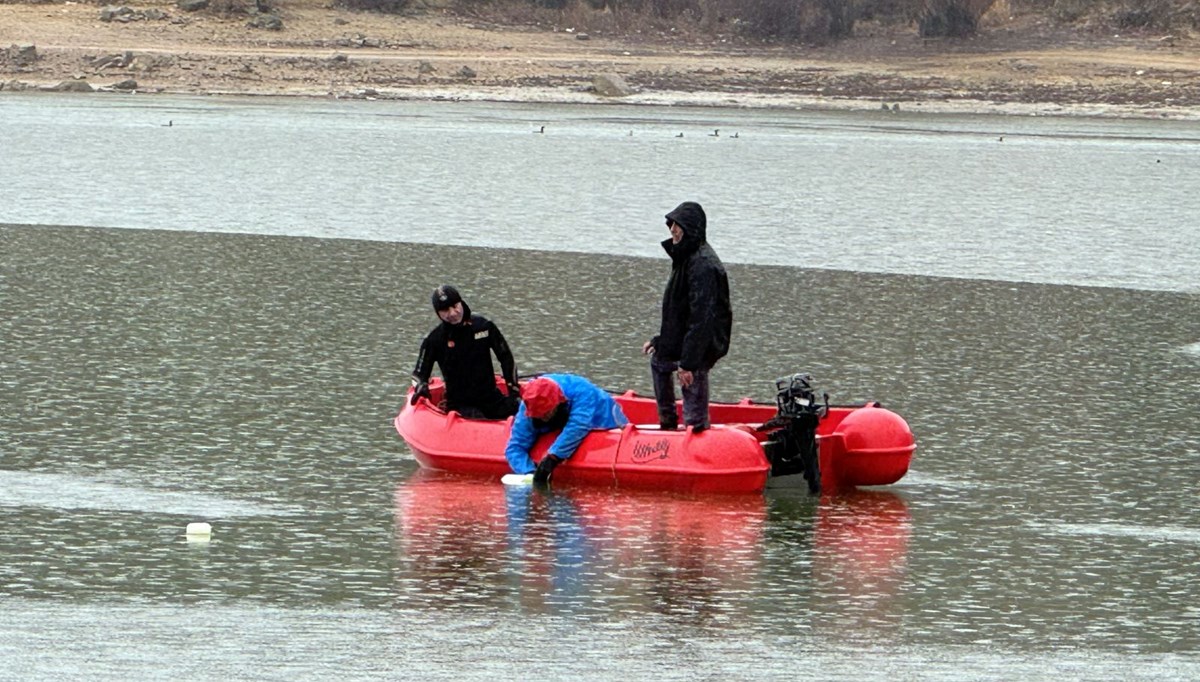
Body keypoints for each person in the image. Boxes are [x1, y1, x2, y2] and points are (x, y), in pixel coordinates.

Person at [641, 201, 732, 432]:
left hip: (700, 345)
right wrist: (660, 340)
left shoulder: (703, 265)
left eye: (677, 225)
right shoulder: (684, 258)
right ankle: (668, 425)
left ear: (690, 229)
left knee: (692, 381)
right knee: (659, 361)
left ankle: (696, 430)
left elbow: (702, 319)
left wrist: (688, 363)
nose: (672, 230)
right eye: (671, 224)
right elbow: (678, 312)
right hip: (681, 340)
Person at [411, 284, 520, 420]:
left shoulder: (484, 327)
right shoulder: (434, 340)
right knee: (476, 417)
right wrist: (421, 386)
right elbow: (418, 375)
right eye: (445, 310)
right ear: (438, 313)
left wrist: (514, 392)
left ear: (461, 302)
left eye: (455, 306)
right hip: (460, 406)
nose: (452, 313)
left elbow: (506, 359)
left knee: (526, 412)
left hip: (491, 399)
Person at [504, 374, 628, 485]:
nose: (543, 417)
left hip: (605, 419)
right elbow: (515, 448)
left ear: (557, 403)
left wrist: (552, 458)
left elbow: (577, 427)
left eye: (546, 413)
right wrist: (529, 472)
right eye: (539, 415)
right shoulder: (529, 405)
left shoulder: (582, 392)